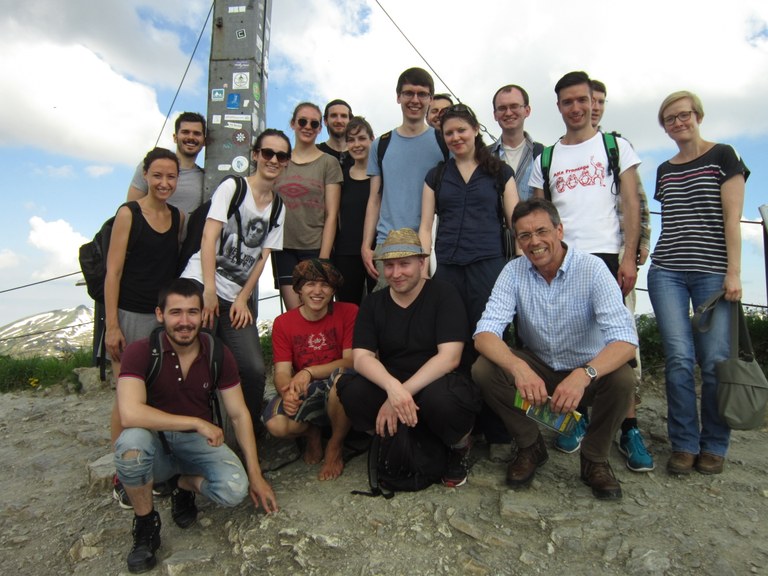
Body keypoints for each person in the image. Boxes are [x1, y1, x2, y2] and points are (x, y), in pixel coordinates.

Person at [472, 199, 637, 500]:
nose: (534, 242)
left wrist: (585, 373)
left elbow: (625, 341)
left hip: (586, 369)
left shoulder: (592, 269)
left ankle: (595, 459)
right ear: (517, 241)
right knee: (484, 368)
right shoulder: (513, 271)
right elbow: (484, 334)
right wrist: (519, 368)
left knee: (623, 379)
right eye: (524, 235)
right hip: (539, 367)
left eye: (541, 231)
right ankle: (530, 445)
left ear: (560, 230)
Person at [114, 279, 277, 574]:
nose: (185, 322)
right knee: (130, 445)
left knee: (234, 489)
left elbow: (239, 414)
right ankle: (146, 524)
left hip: (195, 446)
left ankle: (179, 485)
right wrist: (195, 422)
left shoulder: (216, 352)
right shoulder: (140, 352)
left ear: (204, 315)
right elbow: (129, 413)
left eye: (192, 312)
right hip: (157, 444)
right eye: (176, 313)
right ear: (160, 315)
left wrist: (256, 474)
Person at [335, 228, 483, 488]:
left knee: (444, 399)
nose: (396, 273)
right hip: (393, 382)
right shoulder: (374, 303)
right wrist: (393, 390)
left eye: (404, 264)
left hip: (437, 382)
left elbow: (450, 357)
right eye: (389, 266)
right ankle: (391, 435)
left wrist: (400, 395)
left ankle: (459, 445)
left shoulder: (444, 295)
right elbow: (361, 357)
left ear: (422, 262)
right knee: (351, 390)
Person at [649, 91, 748, 476]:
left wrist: (734, 272)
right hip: (667, 271)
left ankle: (715, 444)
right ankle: (684, 443)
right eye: (670, 119)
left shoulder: (724, 156)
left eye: (683, 115)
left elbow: (731, 220)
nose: (678, 123)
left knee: (714, 362)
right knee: (677, 360)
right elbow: (670, 222)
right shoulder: (664, 169)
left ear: (698, 116)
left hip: (712, 271)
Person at [419, 103, 519, 462]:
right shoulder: (436, 176)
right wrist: (423, 268)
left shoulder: (500, 171)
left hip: (490, 269)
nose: (456, 137)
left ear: (476, 129)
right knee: (452, 347)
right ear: (442, 138)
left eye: (462, 130)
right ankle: (463, 429)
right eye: (449, 133)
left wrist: (523, 269)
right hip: (448, 271)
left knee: (491, 346)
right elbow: (425, 227)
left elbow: (516, 222)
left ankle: (499, 431)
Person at [180, 129, 288, 428]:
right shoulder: (233, 187)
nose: (273, 160)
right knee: (198, 365)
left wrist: (243, 298)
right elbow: (209, 235)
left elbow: (263, 256)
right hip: (200, 284)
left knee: (252, 368)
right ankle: (196, 433)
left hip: (234, 296)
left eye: (281, 156)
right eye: (268, 153)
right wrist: (209, 291)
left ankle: (250, 434)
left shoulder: (279, 208)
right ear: (255, 155)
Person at [585, 78, 654, 472]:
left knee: (621, 340)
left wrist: (633, 250)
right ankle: (580, 422)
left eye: (597, 101)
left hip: (614, 261)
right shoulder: (560, 153)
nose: (591, 107)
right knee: (577, 339)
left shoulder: (616, 147)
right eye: (584, 101)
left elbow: (636, 202)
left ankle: (629, 427)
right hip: (572, 262)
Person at [263, 260, 357, 480]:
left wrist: (309, 371)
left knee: (341, 383)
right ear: (299, 289)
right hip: (307, 389)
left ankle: (335, 444)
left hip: (337, 382)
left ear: (333, 290)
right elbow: (282, 370)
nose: (317, 291)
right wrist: (287, 392)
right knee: (276, 425)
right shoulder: (284, 323)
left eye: (324, 285)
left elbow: (352, 361)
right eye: (309, 284)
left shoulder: (349, 312)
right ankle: (311, 432)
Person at [361, 67, 448, 290]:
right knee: (388, 317)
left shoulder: (444, 142)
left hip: (430, 247)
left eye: (422, 94)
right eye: (409, 93)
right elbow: (374, 199)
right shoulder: (381, 144)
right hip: (388, 245)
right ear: (398, 96)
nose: (415, 100)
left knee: (426, 318)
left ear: (430, 99)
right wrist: (366, 245)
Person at [273, 102, 343, 309]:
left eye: (314, 123)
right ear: (293, 123)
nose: (308, 127)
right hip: (283, 247)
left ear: (320, 128)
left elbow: (332, 214)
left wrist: (323, 259)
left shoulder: (328, 163)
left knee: (317, 310)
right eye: (302, 121)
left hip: (314, 246)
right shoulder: (279, 160)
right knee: (295, 312)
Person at [127, 112, 206, 216]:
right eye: (185, 132)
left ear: (204, 141)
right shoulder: (150, 166)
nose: (191, 137)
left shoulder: (206, 178)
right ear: (175, 137)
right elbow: (130, 210)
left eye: (197, 133)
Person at [334, 116, 376, 304]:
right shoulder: (341, 177)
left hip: (377, 251)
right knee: (347, 308)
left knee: (379, 308)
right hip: (346, 253)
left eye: (361, 138)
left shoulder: (381, 175)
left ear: (371, 140)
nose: (356, 144)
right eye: (351, 140)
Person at [489, 85, 543, 201]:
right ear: (495, 115)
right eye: (502, 108)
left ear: (527, 111)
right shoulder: (483, 156)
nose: (508, 113)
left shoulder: (543, 154)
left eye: (514, 106)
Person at [317, 98, 353, 167]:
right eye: (334, 115)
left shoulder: (361, 154)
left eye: (343, 116)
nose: (339, 120)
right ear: (325, 121)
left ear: (350, 121)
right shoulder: (315, 153)